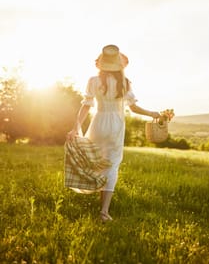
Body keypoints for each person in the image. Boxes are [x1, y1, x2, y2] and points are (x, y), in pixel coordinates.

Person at [67, 44, 160, 222]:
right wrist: (151, 113)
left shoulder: (93, 81)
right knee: (111, 165)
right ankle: (104, 211)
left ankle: (100, 202)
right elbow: (133, 107)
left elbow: (86, 105)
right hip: (116, 126)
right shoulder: (124, 82)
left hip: (98, 122)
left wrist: (75, 126)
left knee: (96, 161)